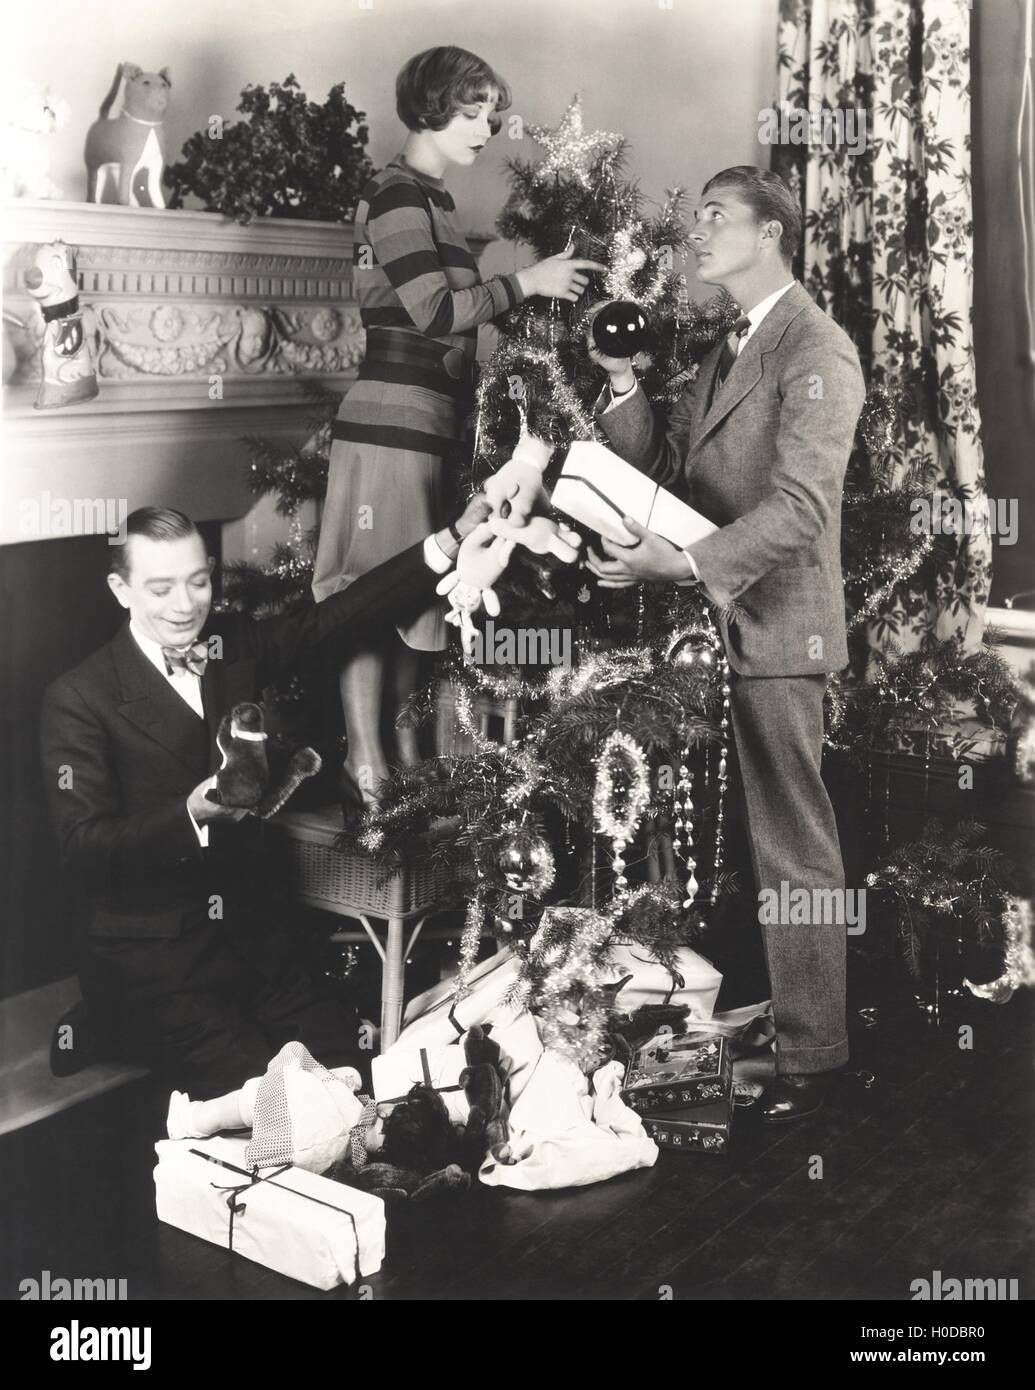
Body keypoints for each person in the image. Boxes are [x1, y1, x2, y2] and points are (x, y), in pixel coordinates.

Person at [39, 495, 492, 1097]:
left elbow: (341, 617)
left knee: (357, 1076)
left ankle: (120, 1022)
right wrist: (190, 816)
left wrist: (453, 538)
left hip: (254, 942)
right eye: (161, 589)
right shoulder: (77, 697)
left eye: (199, 581)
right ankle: (113, 1015)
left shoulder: (230, 644)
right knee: (282, 1105)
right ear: (121, 590)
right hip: (155, 959)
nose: (185, 605)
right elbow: (83, 850)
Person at [585, 167, 866, 1123]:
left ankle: (814, 1055)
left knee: (794, 849)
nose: (694, 233)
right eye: (693, 213)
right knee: (739, 848)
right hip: (713, 629)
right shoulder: (728, 343)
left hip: (782, 630)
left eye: (716, 217)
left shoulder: (813, 345)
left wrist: (681, 565)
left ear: (773, 233)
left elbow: (799, 509)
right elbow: (676, 473)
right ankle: (764, 1022)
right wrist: (621, 387)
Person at [311, 45, 605, 809]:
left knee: (423, 587)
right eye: (470, 112)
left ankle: (402, 748)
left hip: (429, 426)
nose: (485, 128)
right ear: (430, 108)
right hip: (387, 429)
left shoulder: (434, 201)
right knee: (372, 590)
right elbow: (435, 311)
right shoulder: (398, 196)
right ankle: (366, 756)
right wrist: (527, 282)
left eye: (491, 113)